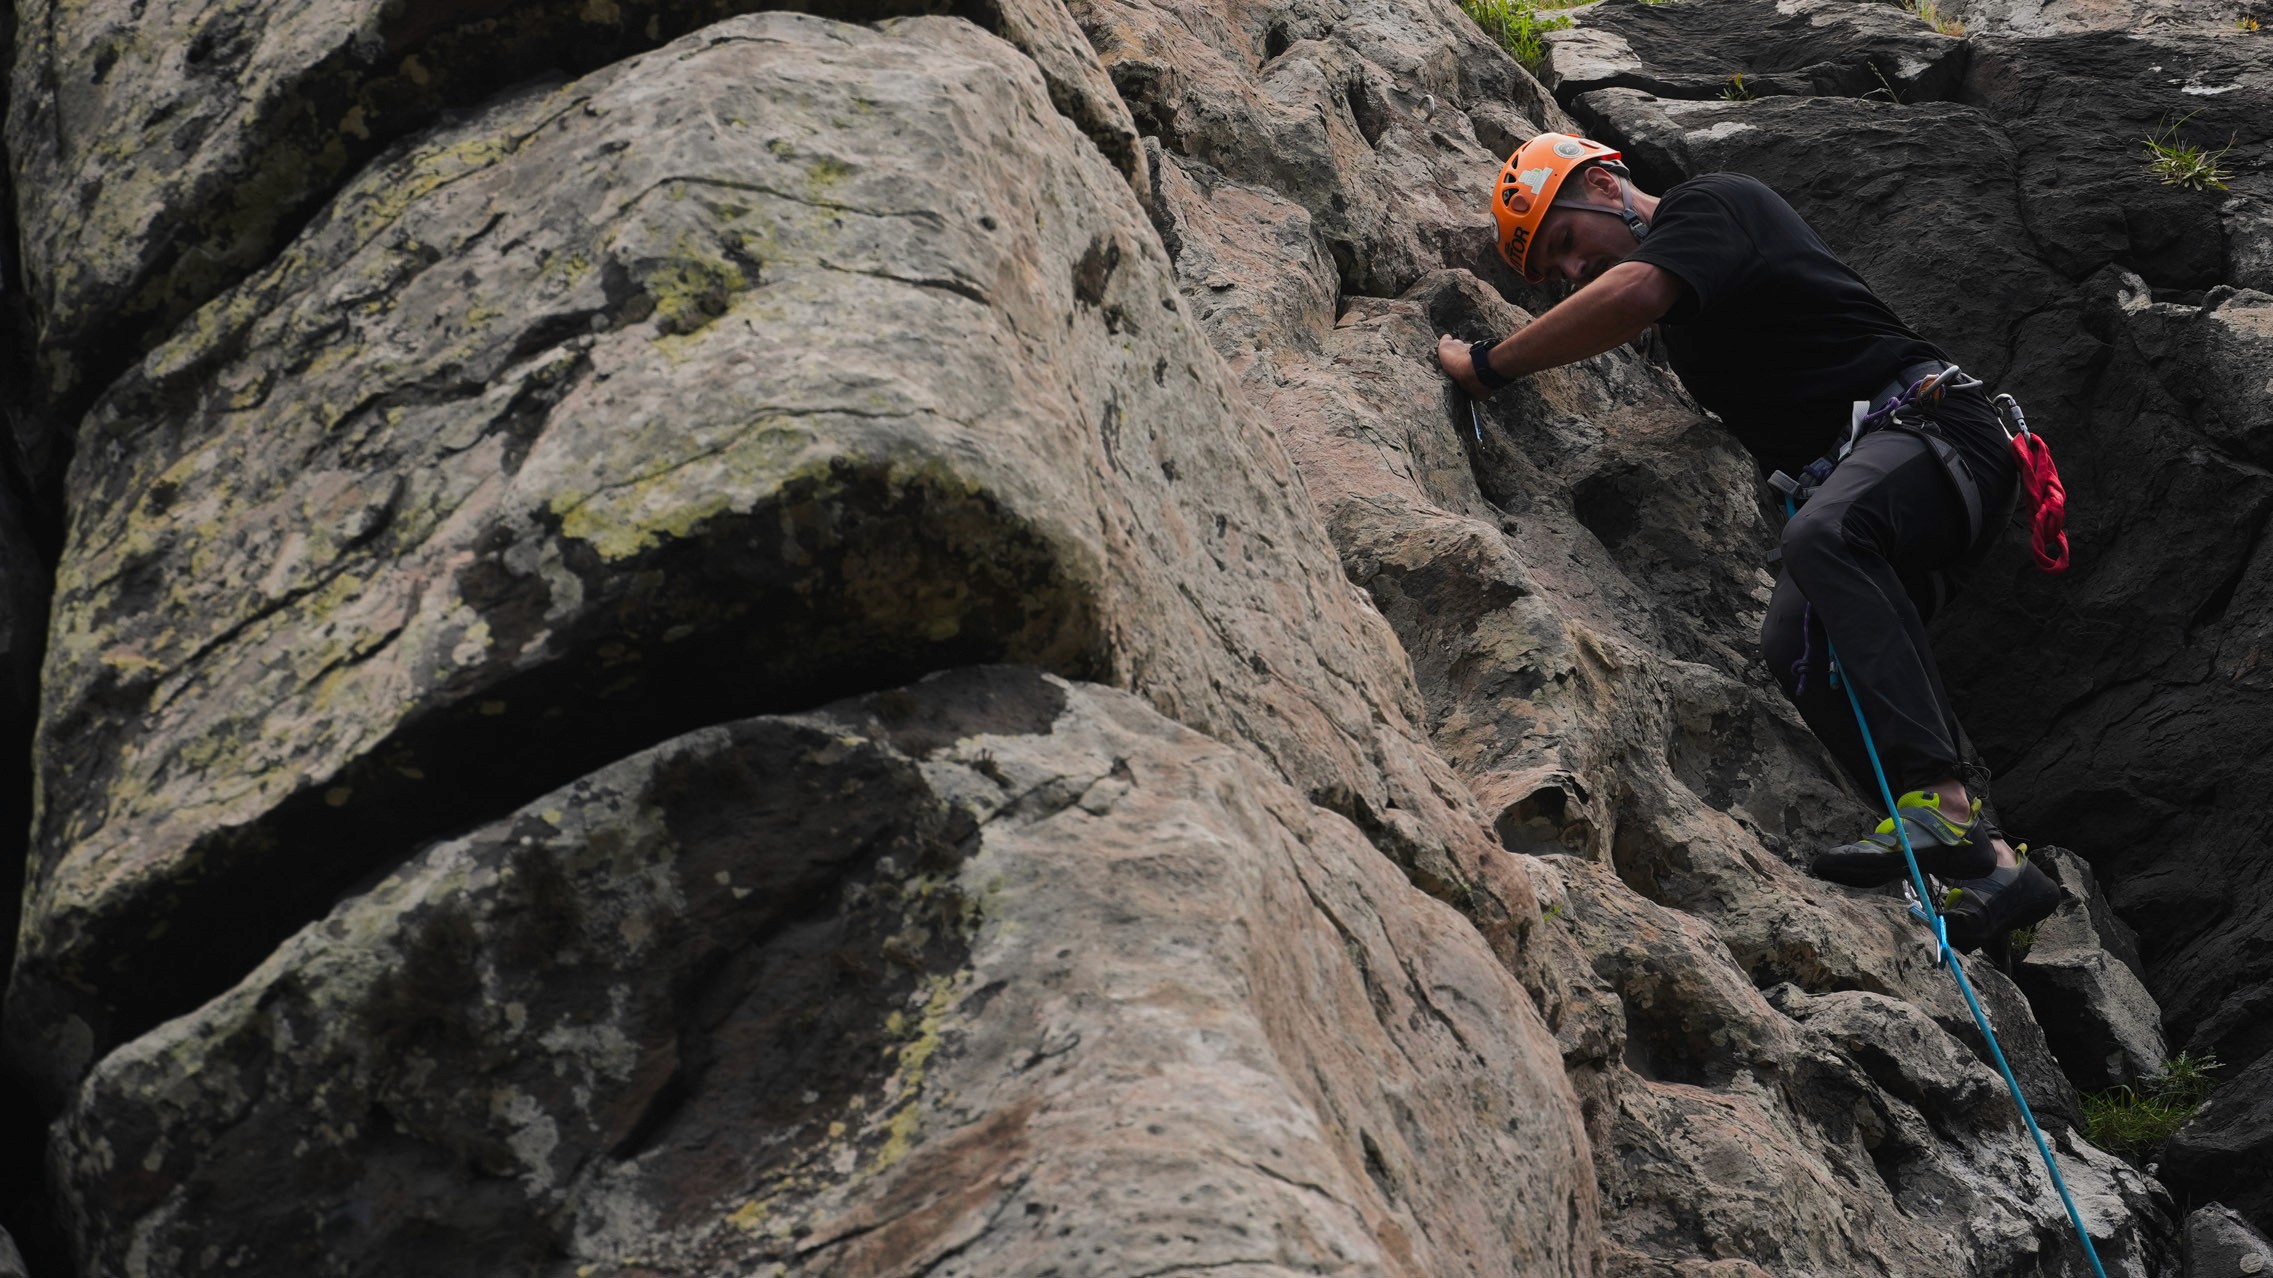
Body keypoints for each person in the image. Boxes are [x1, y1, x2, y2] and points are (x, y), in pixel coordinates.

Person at [1438, 132, 2059, 951]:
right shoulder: (1691, 314)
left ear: (1600, 181)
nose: (1569, 273)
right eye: (1552, 272)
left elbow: (1632, 294)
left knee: (1825, 534)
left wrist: (1486, 363)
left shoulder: (1713, 203)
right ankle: (1992, 867)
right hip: (1889, 476)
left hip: (1933, 429)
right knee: (1793, 644)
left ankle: (1937, 803)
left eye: (1563, 244)